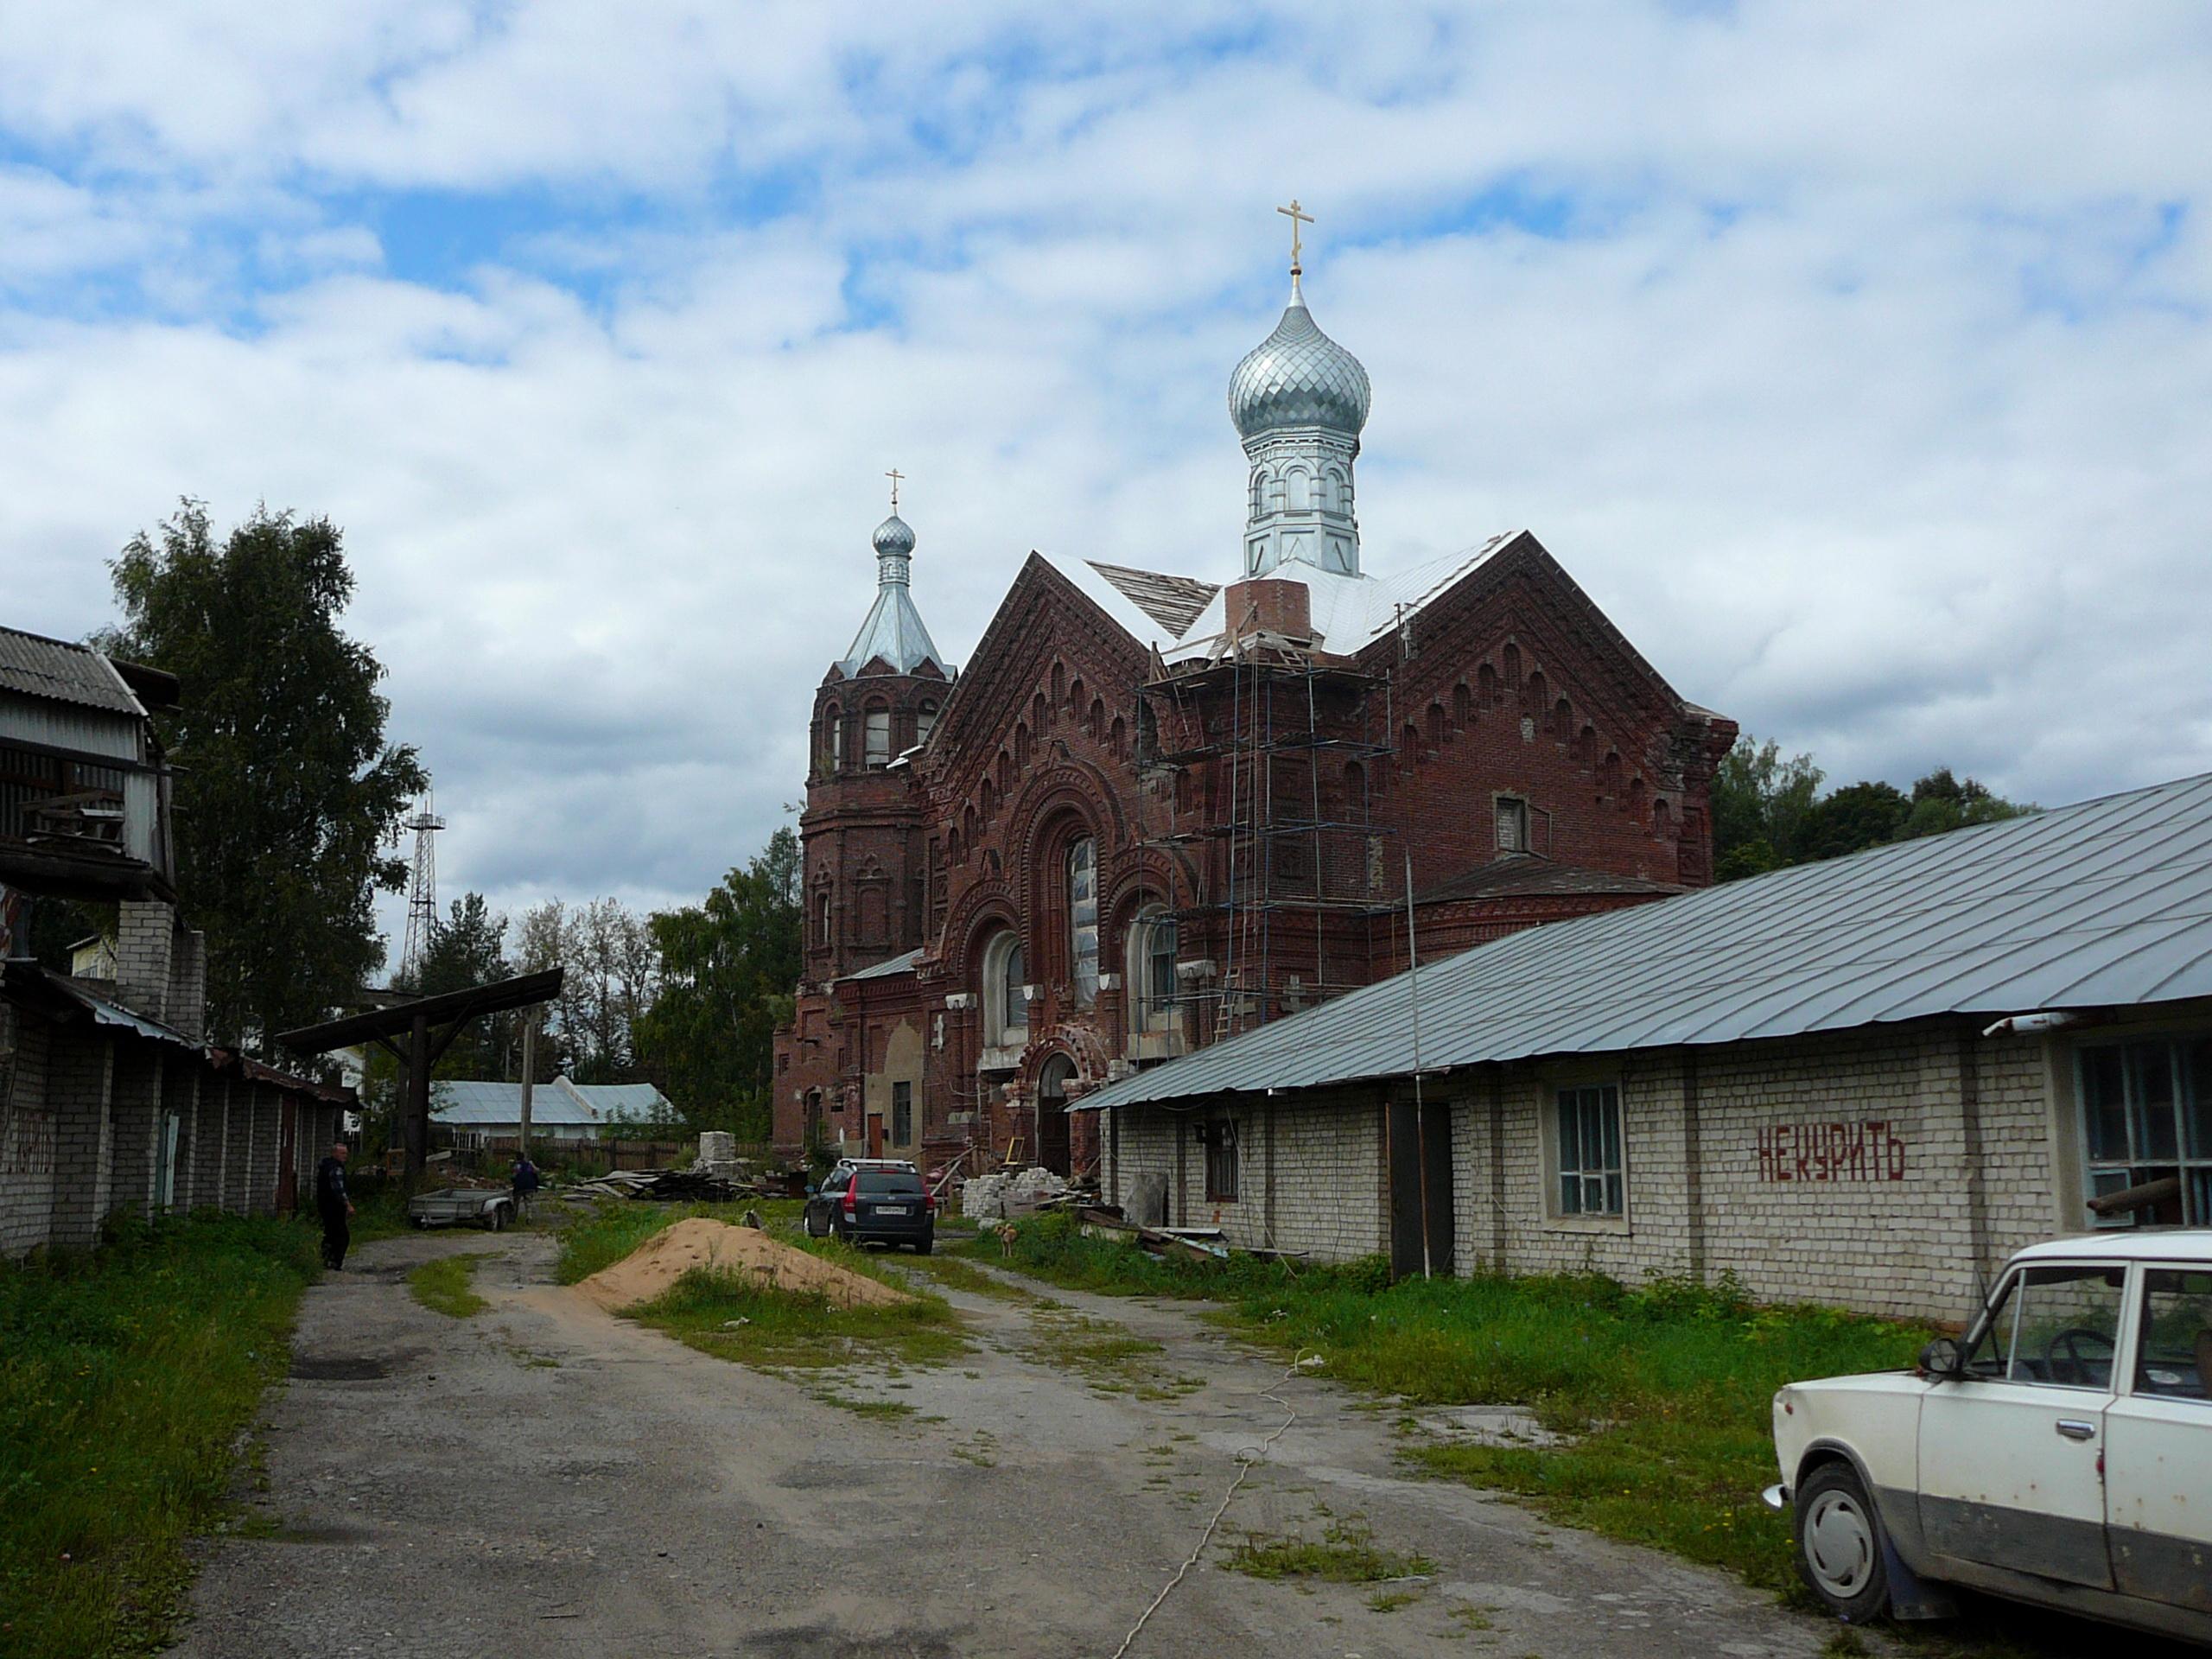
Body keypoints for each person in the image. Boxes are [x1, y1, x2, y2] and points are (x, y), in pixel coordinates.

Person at [314, 1141, 354, 1270]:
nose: (345, 1156)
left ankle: (326, 1259)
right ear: (334, 1153)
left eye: (346, 1153)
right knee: (342, 1235)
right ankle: (336, 1261)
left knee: (329, 1233)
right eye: (342, 1153)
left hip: (324, 1206)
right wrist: (348, 1205)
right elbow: (338, 1189)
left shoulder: (325, 1166)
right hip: (334, 1207)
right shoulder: (336, 1168)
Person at [511, 1149, 540, 1218]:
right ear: (524, 1157)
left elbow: (513, 1176)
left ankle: (514, 1217)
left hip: (519, 1186)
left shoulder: (517, 1166)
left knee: (516, 1202)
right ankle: (529, 1216)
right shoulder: (529, 1164)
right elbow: (537, 1171)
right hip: (530, 1186)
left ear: (516, 1158)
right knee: (528, 1203)